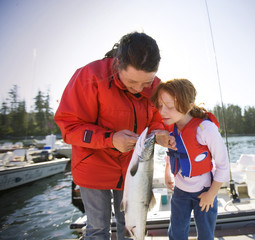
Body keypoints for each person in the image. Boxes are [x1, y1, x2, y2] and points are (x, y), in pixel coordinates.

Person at [54, 32, 176, 240]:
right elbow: (69, 126)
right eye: (131, 82)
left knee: (130, 227)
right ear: (117, 63)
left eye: (146, 83)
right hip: (92, 165)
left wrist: (159, 133)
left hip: (132, 168)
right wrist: (110, 139)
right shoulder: (89, 77)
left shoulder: (156, 86)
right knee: (98, 230)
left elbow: (158, 118)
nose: (139, 89)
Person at [151, 78, 230, 240]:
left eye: (170, 106)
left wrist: (211, 194)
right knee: (177, 233)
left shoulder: (206, 129)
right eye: (160, 106)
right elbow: (172, 153)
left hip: (205, 191)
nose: (162, 112)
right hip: (180, 191)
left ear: (188, 105)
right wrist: (167, 173)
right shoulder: (169, 127)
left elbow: (223, 166)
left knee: (206, 234)